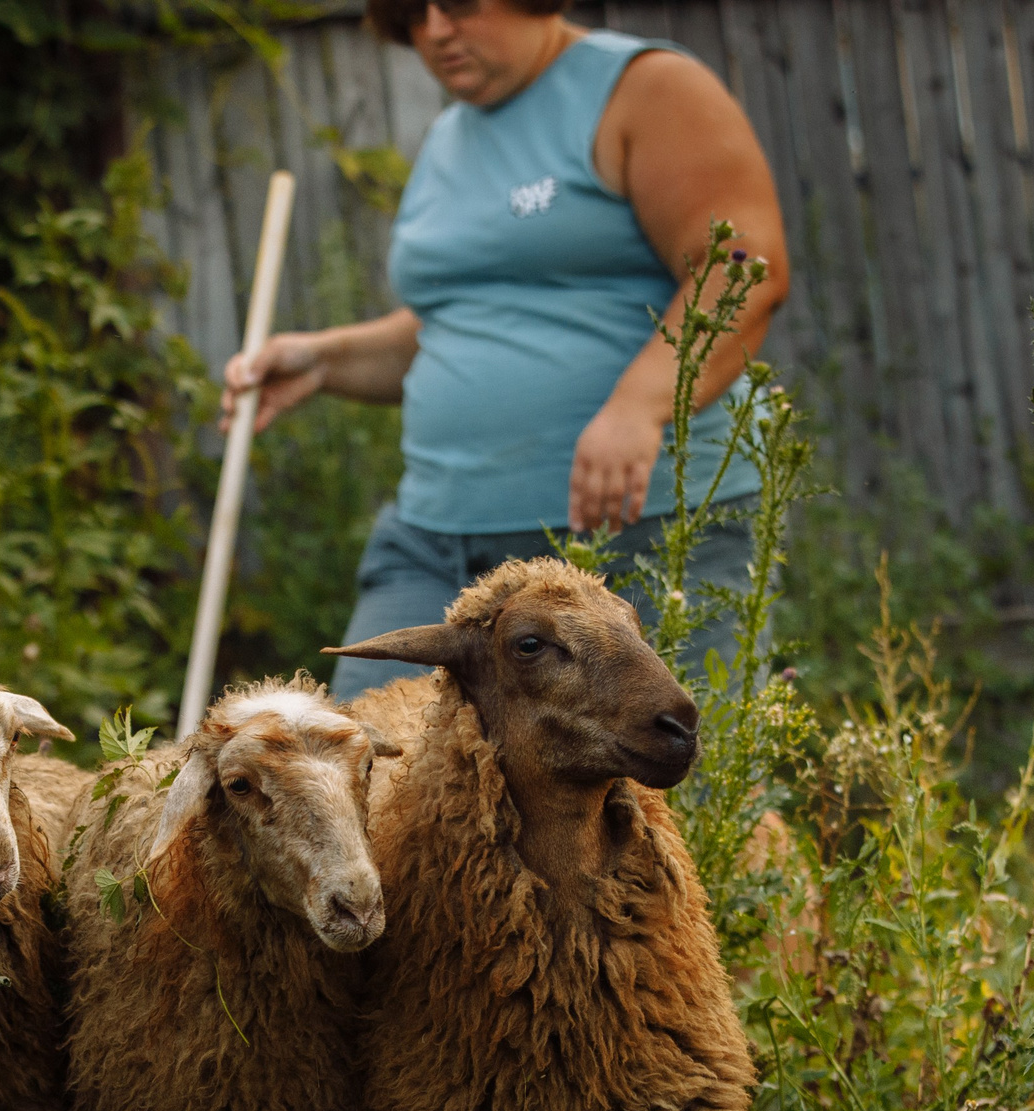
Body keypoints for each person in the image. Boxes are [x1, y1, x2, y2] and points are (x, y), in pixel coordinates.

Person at [221, 0, 789, 700]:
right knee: (371, 774)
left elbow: (738, 269)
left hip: (625, 540)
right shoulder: (449, 137)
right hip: (436, 543)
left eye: (457, 4)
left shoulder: (643, 89)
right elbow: (459, 324)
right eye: (410, 13)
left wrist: (638, 407)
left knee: (665, 794)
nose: (434, 30)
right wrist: (323, 359)